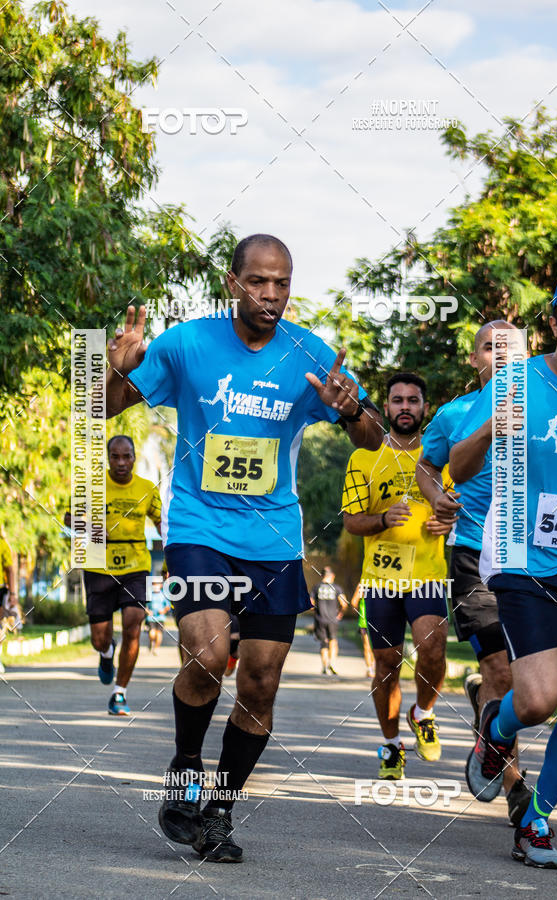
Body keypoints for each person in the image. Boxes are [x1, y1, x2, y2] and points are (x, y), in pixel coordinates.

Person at [104, 234, 382, 863]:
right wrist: (115, 369)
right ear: (233, 282)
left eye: (282, 283)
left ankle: (219, 810)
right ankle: (183, 770)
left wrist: (349, 411)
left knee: (260, 682)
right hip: (200, 527)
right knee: (207, 654)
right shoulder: (186, 345)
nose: (272, 295)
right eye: (259, 282)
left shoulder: (311, 353)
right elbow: (109, 407)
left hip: (274, 537)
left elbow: (368, 436)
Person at [449, 271, 557, 869]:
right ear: (556, 324)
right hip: (523, 557)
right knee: (538, 700)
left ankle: (534, 820)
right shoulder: (517, 381)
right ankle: (497, 724)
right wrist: (494, 426)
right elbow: (458, 468)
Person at [415, 320, 531, 826]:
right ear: (474, 359)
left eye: (511, 348)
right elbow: (426, 466)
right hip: (471, 552)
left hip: (537, 556)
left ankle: (487, 708)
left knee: (535, 681)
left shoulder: (551, 403)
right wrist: (437, 494)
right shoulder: (454, 413)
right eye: (490, 347)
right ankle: (518, 792)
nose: (501, 356)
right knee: (503, 671)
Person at [342, 372, 452, 779]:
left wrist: (447, 524)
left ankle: (423, 713)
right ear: (385, 407)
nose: (405, 406)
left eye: (413, 400)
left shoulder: (439, 452)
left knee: (434, 647)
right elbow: (352, 522)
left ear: (425, 407)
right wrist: (384, 518)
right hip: (382, 578)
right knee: (387, 664)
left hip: (427, 573)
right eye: (397, 400)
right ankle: (391, 745)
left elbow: (454, 505)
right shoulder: (363, 456)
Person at [65, 435, 162, 715]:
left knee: (133, 624)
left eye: (126, 456)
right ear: (108, 459)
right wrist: (90, 527)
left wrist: (174, 553)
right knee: (100, 638)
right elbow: (68, 518)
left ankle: (119, 693)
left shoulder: (146, 488)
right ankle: (106, 654)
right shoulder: (91, 486)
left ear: (134, 457)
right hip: (98, 566)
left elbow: (161, 521)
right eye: (115, 457)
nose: (121, 462)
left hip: (135, 566)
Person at [310, 566, 347, 675]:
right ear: (332, 576)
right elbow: (344, 603)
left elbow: (310, 604)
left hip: (320, 619)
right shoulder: (337, 588)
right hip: (333, 620)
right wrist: (340, 613)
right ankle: (332, 663)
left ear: (322, 575)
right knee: (333, 641)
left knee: (323, 643)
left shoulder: (316, 588)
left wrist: (316, 610)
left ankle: (325, 666)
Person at [350, 582, 375, 678]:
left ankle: (370, 669)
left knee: (367, 646)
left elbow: (353, 602)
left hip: (364, 620)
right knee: (377, 646)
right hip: (379, 619)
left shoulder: (362, 584)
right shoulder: (382, 583)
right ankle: (375, 668)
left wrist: (359, 610)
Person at [146, 575, 171, 654]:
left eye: (157, 584)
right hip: (151, 618)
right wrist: (147, 611)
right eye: (153, 584)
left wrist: (163, 611)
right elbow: (144, 606)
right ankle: (151, 643)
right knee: (152, 633)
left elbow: (167, 606)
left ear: (161, 585)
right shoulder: (149, 594)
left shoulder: (163, 595)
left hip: (160, 618)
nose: (155, 585)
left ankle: (156, 648)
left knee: (159, 633)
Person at [0, 534, 18, 612]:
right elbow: (9, 571)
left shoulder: (2, 544)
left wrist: (12, 594)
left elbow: (10, 571)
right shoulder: (2, 544)